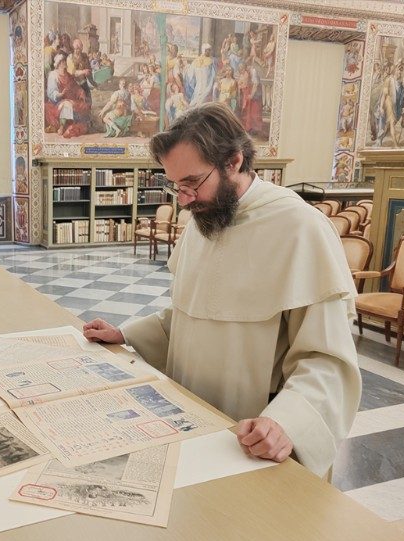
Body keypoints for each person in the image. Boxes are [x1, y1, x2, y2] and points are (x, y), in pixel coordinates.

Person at [82, 103, 360, 478]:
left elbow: (327, 359)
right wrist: (126, 334)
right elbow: (190, 317)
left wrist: (287, 424)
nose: (183, 199)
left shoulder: (300, 228)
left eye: (192, 183)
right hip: (190, 424)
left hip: (253, 443)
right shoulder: (204, 220)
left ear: (233, 161)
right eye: (175, 186)